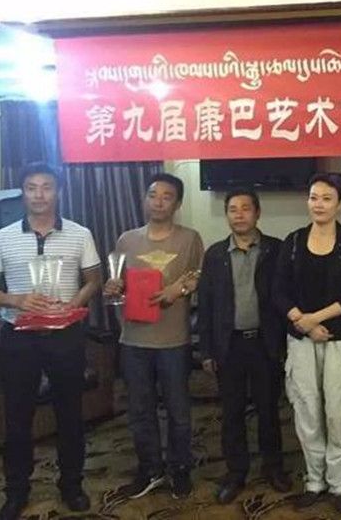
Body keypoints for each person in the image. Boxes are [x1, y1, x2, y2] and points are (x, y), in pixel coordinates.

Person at [0, 163, 102, 520]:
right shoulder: (3, 236)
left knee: (70, 413)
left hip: (65, 335)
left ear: (58, 191)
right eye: (31, 187)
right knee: (17, 416)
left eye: (46, 187)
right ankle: (16, 491)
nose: (39, 194)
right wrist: (16, 300)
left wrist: (73, 303)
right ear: (23, 193)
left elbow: (94, 280)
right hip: (18, 337)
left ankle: (72, 484)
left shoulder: (80, 233)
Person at [104, 173, 203, 500]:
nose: (158, 201)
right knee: (139, 411)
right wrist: (113, 287)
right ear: (144, 199)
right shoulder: (127, 240)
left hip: (173, 340)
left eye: (166, 196)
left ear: (177, 203)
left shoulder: (189, 239)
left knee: (178, 411)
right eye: (152, 194)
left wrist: (180, 288)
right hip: (133, 339)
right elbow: (118, 284)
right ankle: (150, 468)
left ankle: (180, 467)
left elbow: (200, 276)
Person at [275, 173, 341, 515]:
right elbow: (278, 290)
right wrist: (302, 321)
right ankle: (314, 481)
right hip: (301, 340)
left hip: (338, 340)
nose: (319, 204)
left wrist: (315, 319)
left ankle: (340, 483)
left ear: (339, 204)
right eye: (314, 197)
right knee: (307, 411)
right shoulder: (293, 241)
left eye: (327, 198)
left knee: (337, 412)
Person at [197, 189, 288, 504]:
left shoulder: (276, 249)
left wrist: (285, 344)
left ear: (257, 213)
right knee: (232, 413)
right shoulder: (215, 254)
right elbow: (206, 305)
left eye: (245, 208)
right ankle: (236, 473)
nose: (239, 214)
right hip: (229, 345)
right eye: (232, 209)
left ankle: (273, 467)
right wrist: (206, 351)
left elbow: (286, 297)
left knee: (269, 410)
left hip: (265, 343)